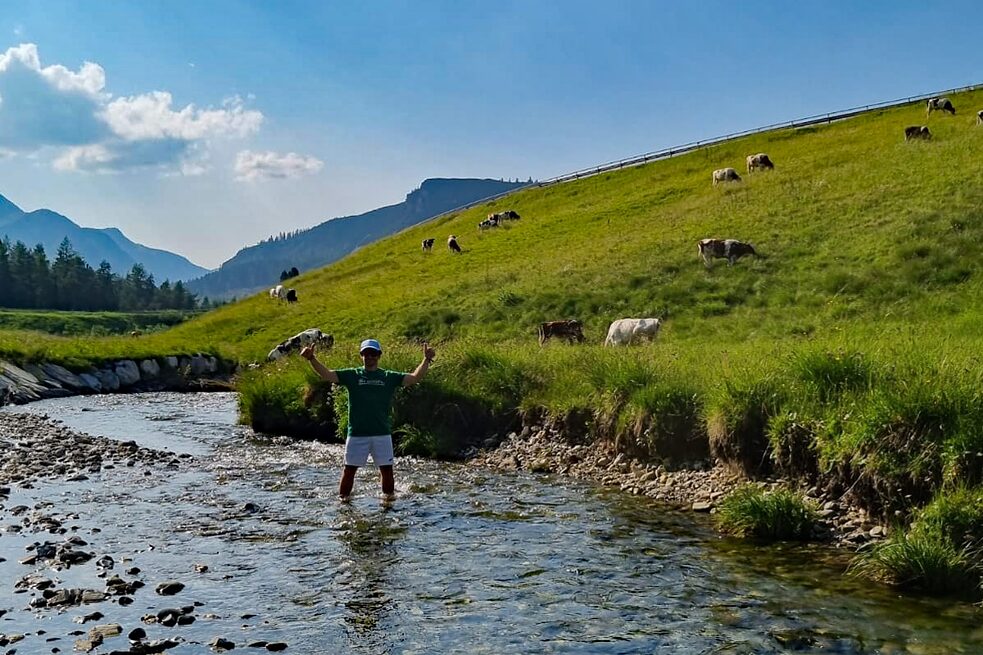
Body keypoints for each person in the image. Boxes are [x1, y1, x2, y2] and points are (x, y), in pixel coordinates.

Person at [300, 337, 435, 500]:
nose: (369, 357)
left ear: (379, 355)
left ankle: (388, 503)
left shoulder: (388, 376)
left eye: (373, 353)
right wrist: (311, 359)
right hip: (357, 433)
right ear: (361, 356)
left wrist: (426, 359)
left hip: (382, 433)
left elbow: (414, 378)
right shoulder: (352, 375)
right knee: (349, 470)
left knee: (387, 470)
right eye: (366, 354)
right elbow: (328, 375)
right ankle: (343, 503)